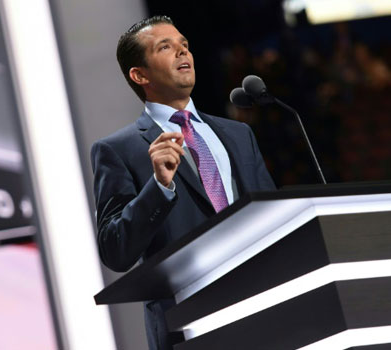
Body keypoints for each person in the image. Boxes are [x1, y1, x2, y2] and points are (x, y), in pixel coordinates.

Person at [90, 16, 276, 349]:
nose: (181, 52)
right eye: (165, 47)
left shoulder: (238, 134)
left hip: (260, 307)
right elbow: (115, 249)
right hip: (188, 322)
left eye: (184, 45)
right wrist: (159, 187)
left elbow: (273, 216)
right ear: (140, 74)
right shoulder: (118, 150)